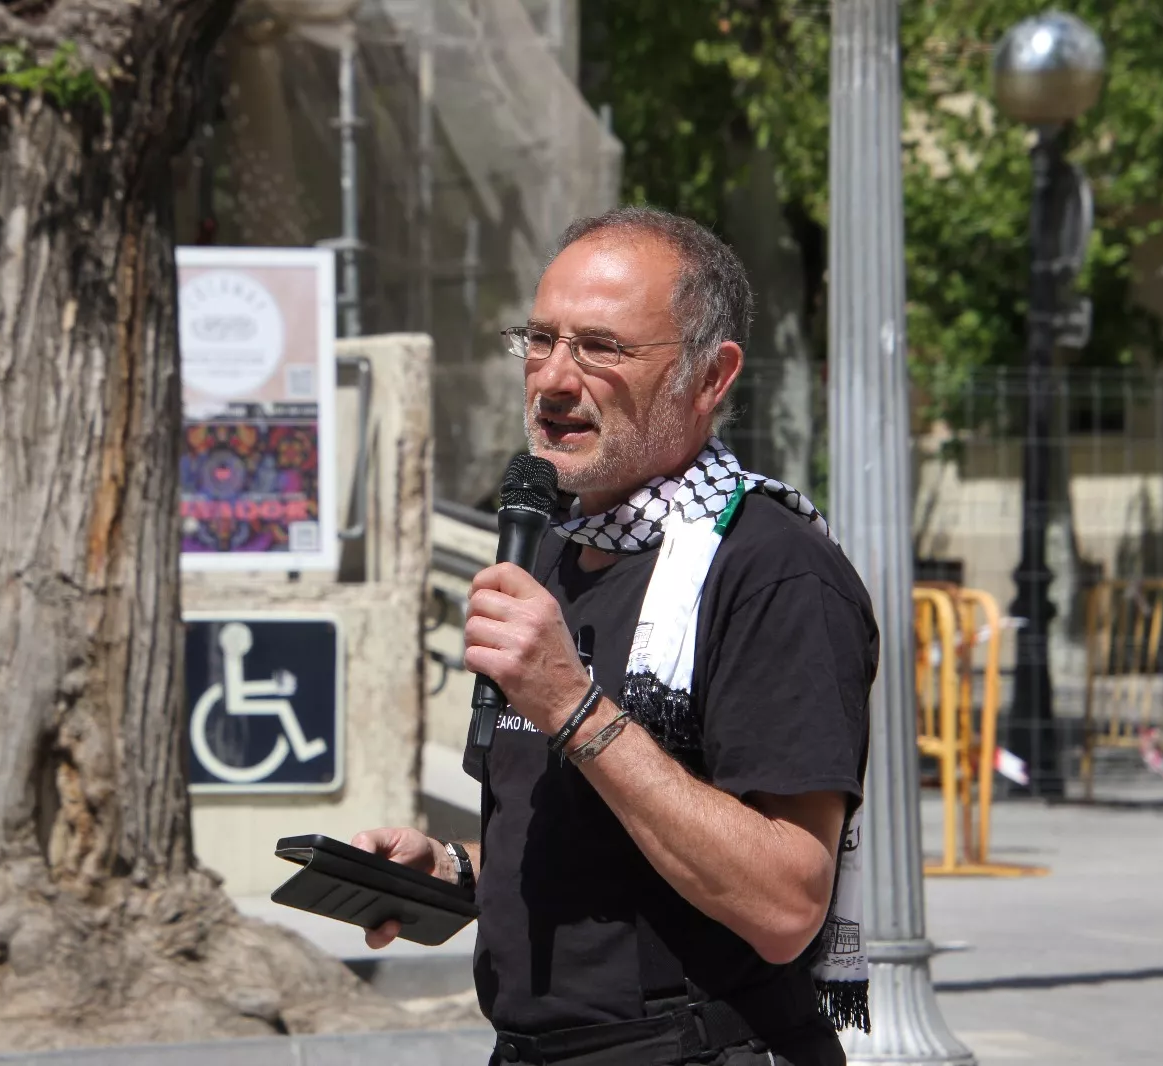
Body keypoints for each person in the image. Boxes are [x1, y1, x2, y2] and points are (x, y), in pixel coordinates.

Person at [352, 207, 876, 1066]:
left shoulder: (774, 570)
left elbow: (786, 903)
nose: (554, 379)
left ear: (711, 376)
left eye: (601, 347)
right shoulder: (548, 551)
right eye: (540, 339)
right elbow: (599, 844)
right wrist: (452, 870)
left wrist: (573, 704)